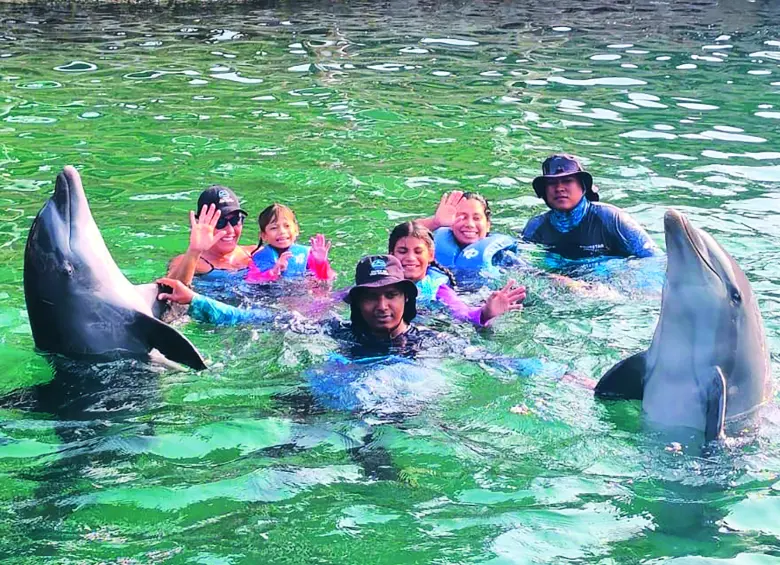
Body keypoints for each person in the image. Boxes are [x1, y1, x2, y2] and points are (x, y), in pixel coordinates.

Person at [158, 255, 439, 358]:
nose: (382, 305)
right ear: (356, 302)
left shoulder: (428, 342)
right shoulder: (338, 332)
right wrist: (195, 300)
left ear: (406, 298)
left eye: (391, 295)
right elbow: (259, 319)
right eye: (370, 297)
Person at [521, 154, 660, 259]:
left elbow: (654, 260)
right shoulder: (536, 227)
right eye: (551, 183)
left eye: (567, 181)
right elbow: (520, 266)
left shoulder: (612, 219)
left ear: (583, 187)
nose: (559, 188)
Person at [388, 221, 525, 327]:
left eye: (418, 252)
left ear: (430, 255)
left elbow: (463, 314)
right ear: (391, 254)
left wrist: (485, 313)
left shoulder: (439, 291)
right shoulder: (379, 285)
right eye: (402, 251)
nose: (411, 258)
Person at [418, 192, 523, 277]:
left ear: (487, 225)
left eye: (476, 218)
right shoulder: (431, 250)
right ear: (450, 223)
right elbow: (404, 234)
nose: (469, 224)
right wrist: (435, 222)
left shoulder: (503, 256)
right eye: (462, 217)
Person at [167, 185, 255, 285]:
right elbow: (170, 290)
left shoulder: (255, 254)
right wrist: (194, 251)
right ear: (199, 223)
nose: (230, 230)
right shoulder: (189, 262)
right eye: (220, 222)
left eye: (235, 220)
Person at [246, 204, 335, 283]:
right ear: (263, 235)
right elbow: (251, 280)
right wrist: (273, 272)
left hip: (302, 293)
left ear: (296, 230)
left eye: (287, 226)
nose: (282, 231)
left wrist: (321, 263)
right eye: (274, 228)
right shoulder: (259, 259)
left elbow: (327, 278)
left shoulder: (308, 255)